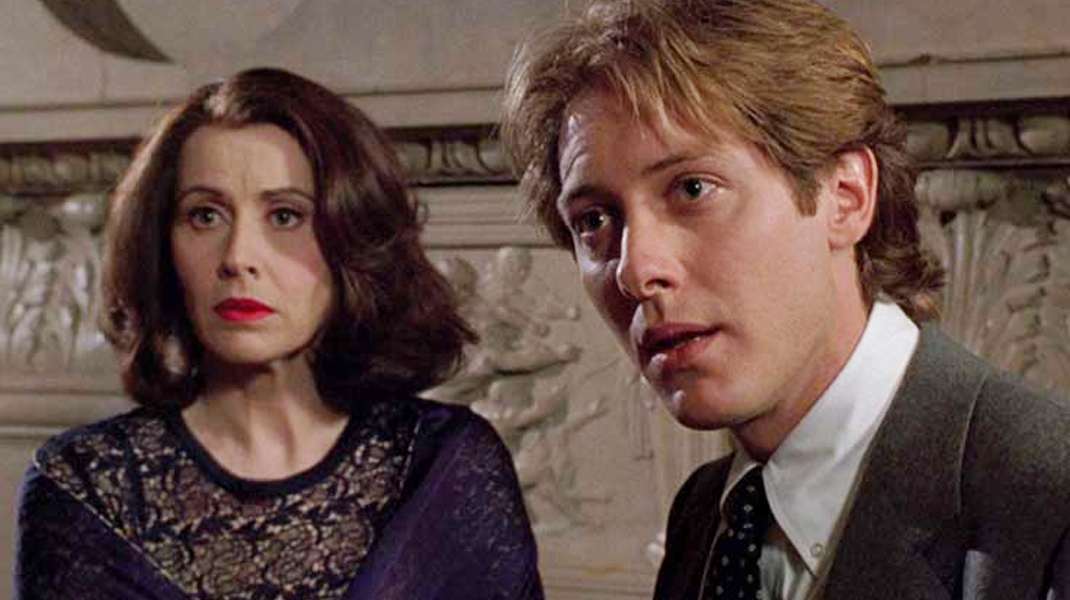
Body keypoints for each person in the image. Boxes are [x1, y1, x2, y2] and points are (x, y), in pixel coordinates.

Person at [500, 0, 1070, 598]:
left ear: (846, 196)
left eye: (692, 189)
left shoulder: (1048, 505)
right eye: (593, 220)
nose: (636, 271)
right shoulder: (707, 513)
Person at [15, 67, 543, 600]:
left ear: (352, 236)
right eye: (205, 216)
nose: (238, 257)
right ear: (161, 243)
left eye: (286, 216)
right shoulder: (85, 489)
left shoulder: (444, 467)